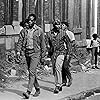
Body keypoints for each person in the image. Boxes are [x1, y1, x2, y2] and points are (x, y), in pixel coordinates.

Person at [16, 14, 46, 99]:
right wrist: (18, 52)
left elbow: (43, 43)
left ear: (35, 21)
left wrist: (43, 56)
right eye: (29, 20)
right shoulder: (24, 31)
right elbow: (20, 41)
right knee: (31, 71)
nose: (30, 21)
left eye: (32, 20)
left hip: (35, 53)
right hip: (27, 53)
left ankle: (28, 92)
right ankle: (37, 88)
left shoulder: (39, 30)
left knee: (32, 72)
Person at [46, 20, 72, 93]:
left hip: (61, 52)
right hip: (53, 53)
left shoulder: (63, 33)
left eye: (59, 24)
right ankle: (59, 84)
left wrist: (68, 53)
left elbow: (68, 44)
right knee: (54, 69)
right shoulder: (49, 34)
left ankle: (58, 85)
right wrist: (48, 49)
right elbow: (47, 43)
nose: (58, 26)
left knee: (58, 67)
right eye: (56, 25)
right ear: (54, 25)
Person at [61, 21, 75, 87]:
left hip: (68, 51)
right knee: (62, 67)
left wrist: (70, 52)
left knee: (65, 66)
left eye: (63, 25)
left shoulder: (70, 33)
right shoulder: (60, 33)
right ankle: (64, 81)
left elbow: (73, 43)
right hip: (61, 51)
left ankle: (70, 79)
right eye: (61, 25)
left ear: (66, 26)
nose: (61, 26)